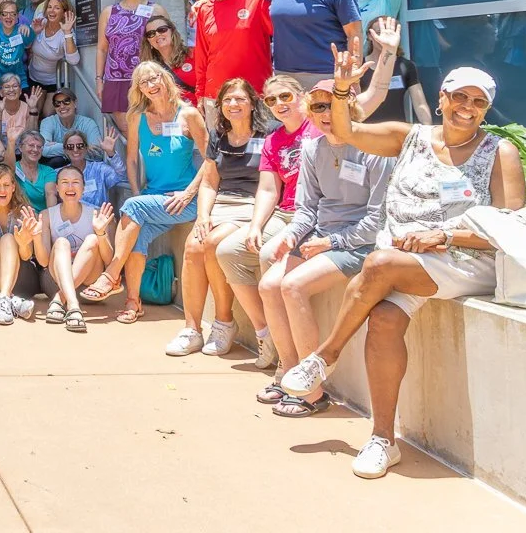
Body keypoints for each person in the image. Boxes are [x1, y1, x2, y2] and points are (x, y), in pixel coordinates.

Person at [279, 61, 523, 480]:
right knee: (385, 318)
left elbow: (510, 229)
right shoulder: (409, 138)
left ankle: (324, 356)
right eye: (460, 96)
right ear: (442, 98)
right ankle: (383, 440)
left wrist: (445, 237)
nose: (468, 107)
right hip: (405, 263)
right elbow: (347, 131)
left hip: (465, 260)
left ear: (486, 110)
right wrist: (340, 91)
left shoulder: (499, 151)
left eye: (479, 102)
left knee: (379, 261)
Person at [256, 79, 391, 416]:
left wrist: (332, 241)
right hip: (321, 237)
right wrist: (291, 237)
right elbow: (306, 209)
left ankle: (313, 393)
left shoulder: (375, 149)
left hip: (359, 244)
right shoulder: (313, 150)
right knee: (269, 285)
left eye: (333, 104)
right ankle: (289, 373)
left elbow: (378, 219)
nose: (326, 113)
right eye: (318, 106)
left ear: (351, 107)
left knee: (292, 286)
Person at [78, 62, 208, 322]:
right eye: (144, 82)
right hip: (154, 198)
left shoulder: (189, 114)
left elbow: (211, 160)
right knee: (135, 235)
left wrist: (188, 194)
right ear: (139, 89)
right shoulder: (137, 116)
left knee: (133, 207)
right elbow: (132, 159)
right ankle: (132, 302)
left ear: (166, 79)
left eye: (155, 78)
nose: (152, 85)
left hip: (185, 200)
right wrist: (137, 192)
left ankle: (112, 276)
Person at [166, 79, 268, 358]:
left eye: (240, 99)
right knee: (192, 247)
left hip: (252, 204)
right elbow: (210, 183)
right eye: (228, 100)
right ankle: (192, 329)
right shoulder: (219, 137)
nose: (233, 105)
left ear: (252, 103)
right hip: (221, 202)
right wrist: (202, 215)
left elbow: (270, 186)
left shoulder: (267, 134)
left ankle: (223, 323)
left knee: (211, 245)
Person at [192, 0, 274, 129]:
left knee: (258, 151)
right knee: (220, 153)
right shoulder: (205, 9)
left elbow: (282, 36)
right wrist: (200, 95)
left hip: (255, 92)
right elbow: (202, 56)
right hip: (216, 96)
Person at [35, 165, 115, 333]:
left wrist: (101, 233)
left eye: (75, 182)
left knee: (93, 239)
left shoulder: (96, 213)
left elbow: (108, 261)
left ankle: (63, 299)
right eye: (64, 182)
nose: (70, 187)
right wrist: (36, 236)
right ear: (57, 188)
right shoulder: (47, 215)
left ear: (83, 188)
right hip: (55, 281)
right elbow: (43, 261)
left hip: (88, 288)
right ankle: (73, 306)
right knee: (62, 242)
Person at [97, 0, 168, 133]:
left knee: (152, 130)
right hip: (116, 81)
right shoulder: (109, 12)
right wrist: (99, 80)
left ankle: (151, 161)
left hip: (148, 79)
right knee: (127, 131)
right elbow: (101, 49)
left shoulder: (155, 10)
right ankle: (132, 161)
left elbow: (168, 45)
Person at [0, 163, 39, 324]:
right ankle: (9, 299)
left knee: (8, 238)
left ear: (13, 187)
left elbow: (26, 256)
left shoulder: (24, 212)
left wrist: (23, 243)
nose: (2, 190)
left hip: (22, 280)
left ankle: (4, 299)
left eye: (6, 185)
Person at [60, 128, 129, 210]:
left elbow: (122, 177)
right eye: (70, 147)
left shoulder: (99, 169)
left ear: (86, 148)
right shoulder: (59, 174)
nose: (75, 150)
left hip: (99, 219)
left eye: (80, 146)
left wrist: (111, 153)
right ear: (65, 150)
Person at [26, 0, 80, 95]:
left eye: (57, 8)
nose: (51, 11)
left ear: (64, 12)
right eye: (49, 7)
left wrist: (67, 32)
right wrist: (33, 32)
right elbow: (26, 46)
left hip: (56, 82)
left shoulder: (67, 31)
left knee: (47, 112)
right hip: (34, 78)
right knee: (35, 108)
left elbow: (73, 60)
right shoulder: (40, 21)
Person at [141, 16, 196, 103]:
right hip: (172, 114)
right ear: (148, 41)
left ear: (172, 31)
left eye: (162, 29)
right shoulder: (150, 68)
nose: (157, 34)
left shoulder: (193, 54)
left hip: (200, 111)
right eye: (151, 33)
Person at [40, 88, 102, 158]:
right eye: (57, 103)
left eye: (66, 101)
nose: (62, 106)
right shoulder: (48, 122)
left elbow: (97, 154)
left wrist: (58, 147)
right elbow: (43, 150)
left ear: (75, 103)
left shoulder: (88, 123)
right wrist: (83, 147)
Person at [0, 75, 43, 144]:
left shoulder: (29, 108)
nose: (11, 90)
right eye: (7, 87)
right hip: (2, 147)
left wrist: (32, 109)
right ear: (1, 92)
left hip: (23, 146)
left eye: (15, 86)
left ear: (20, 90)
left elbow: (32, 136)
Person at [13, 130, 54, 211]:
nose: (35, 149)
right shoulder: (14, 168)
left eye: (39, 147)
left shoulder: (48, 171)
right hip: (18, 218)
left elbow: (51, 194)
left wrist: (51, 218)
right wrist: (11, 142)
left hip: (42, 218)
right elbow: (7, 167)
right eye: (31, 145)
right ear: (20, 147)